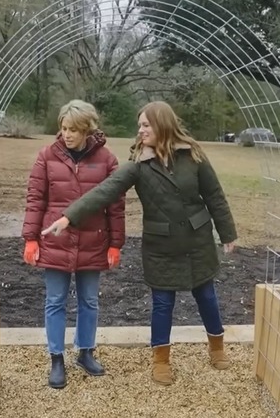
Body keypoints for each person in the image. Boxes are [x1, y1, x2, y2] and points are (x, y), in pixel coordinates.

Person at [41, 101, 237, 386]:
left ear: (162, 125)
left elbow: (214, 195)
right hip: (161, 246)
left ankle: (217, 347)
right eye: (140, 125)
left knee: (206, 296)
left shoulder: (193, 155)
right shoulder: (138, 164)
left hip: (198, 241)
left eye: (146, 125)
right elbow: (105, 191)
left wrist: (227, 232)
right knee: (162, 303)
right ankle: (161, 360)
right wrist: (69, 217)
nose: (140, 130)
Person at [21, 99, 125, 390]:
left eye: (73, 130)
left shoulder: (107, 160)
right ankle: (56, 357)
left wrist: (115, 243)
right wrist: (31, 237)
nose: (67, 134)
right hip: (56, 240)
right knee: (55, 301)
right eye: (64, 128)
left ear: (87, 130)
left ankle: (86, 351)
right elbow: (35, 199)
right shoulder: (46, 156)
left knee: (89, 301)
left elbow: (115, 207)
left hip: (93, 241)